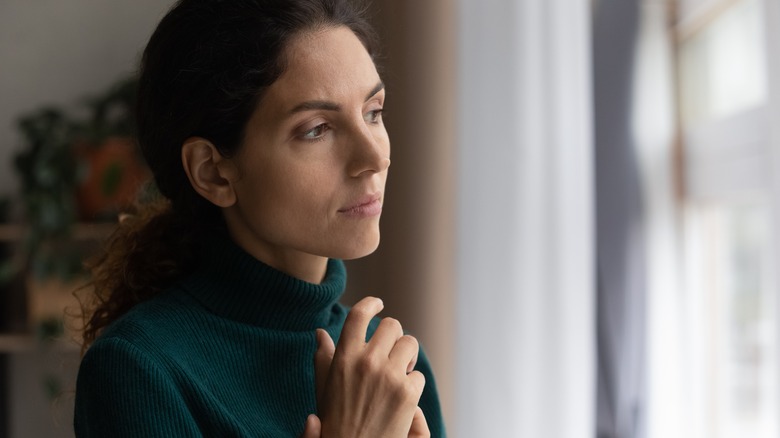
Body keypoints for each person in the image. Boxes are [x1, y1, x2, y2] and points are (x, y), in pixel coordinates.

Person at [73, 0, 445, 436]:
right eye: (316, 129)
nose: (374, 156)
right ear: (213, 172)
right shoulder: (139, 370)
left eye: (373, 113)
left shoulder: (392, 367)